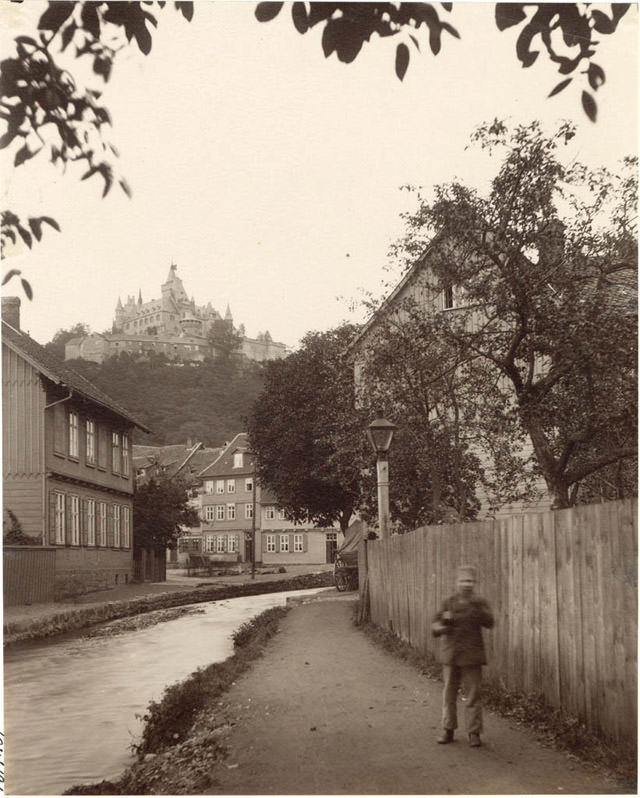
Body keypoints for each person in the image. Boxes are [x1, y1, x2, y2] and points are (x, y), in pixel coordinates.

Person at [432, 564, 494, 747]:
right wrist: (443, 627)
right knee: (449, 694)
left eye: (469, 581)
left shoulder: (480, 603)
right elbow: (435, 626)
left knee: (473, 695)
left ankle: (474, 733)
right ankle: (447, 729)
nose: (466, 584)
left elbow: (490, 623)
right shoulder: (448, 603)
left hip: (472, 656)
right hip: (451, 656)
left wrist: (480, 612)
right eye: (462, 580)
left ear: (474, 583)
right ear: (456, 582)